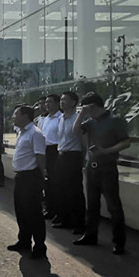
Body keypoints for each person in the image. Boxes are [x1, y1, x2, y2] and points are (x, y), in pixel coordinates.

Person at [72, 92, 131, 255]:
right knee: (92, 204)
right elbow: (74, 131)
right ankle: (90, 234)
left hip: (108, 167)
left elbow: (126, 142)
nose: (85, 112)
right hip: (92, 167)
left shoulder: (115, 120)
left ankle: (119, 241)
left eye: (86, 109)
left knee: (113, 205)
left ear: (93, 106)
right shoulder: (90, 122)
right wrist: (81, 114)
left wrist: (106, 151)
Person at [6, 105, 48, 259]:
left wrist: (42, 177)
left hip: (31, 177)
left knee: (33, 213)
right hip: (21, 177)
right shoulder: (22, 132)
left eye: (16, 114)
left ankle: (39, 246)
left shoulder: (35, 133)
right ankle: (24, 241)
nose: (13, 117)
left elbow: (40, 157)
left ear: (25, 116)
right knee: (21, 211)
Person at [53, 91, 85, 234]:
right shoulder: (60, 118)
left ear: (73, 102)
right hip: (61, 155)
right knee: (61, 189)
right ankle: (65, 219)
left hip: (73, 156)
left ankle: (79, 223)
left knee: (75, 191)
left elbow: (83, 141)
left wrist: (83, 159)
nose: (62, 102)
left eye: (65, 99)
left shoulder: (78, 118)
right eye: (61, 99)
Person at [39, 94, 62, 220]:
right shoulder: (46, 119)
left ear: (58, 104)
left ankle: (58, 211)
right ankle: (49, 209)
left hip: (56, 151)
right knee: (47, 182)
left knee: (56, 182)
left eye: (50, 102)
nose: (47, 104)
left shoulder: (60, 118)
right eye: (46, 102)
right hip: (45, 150)